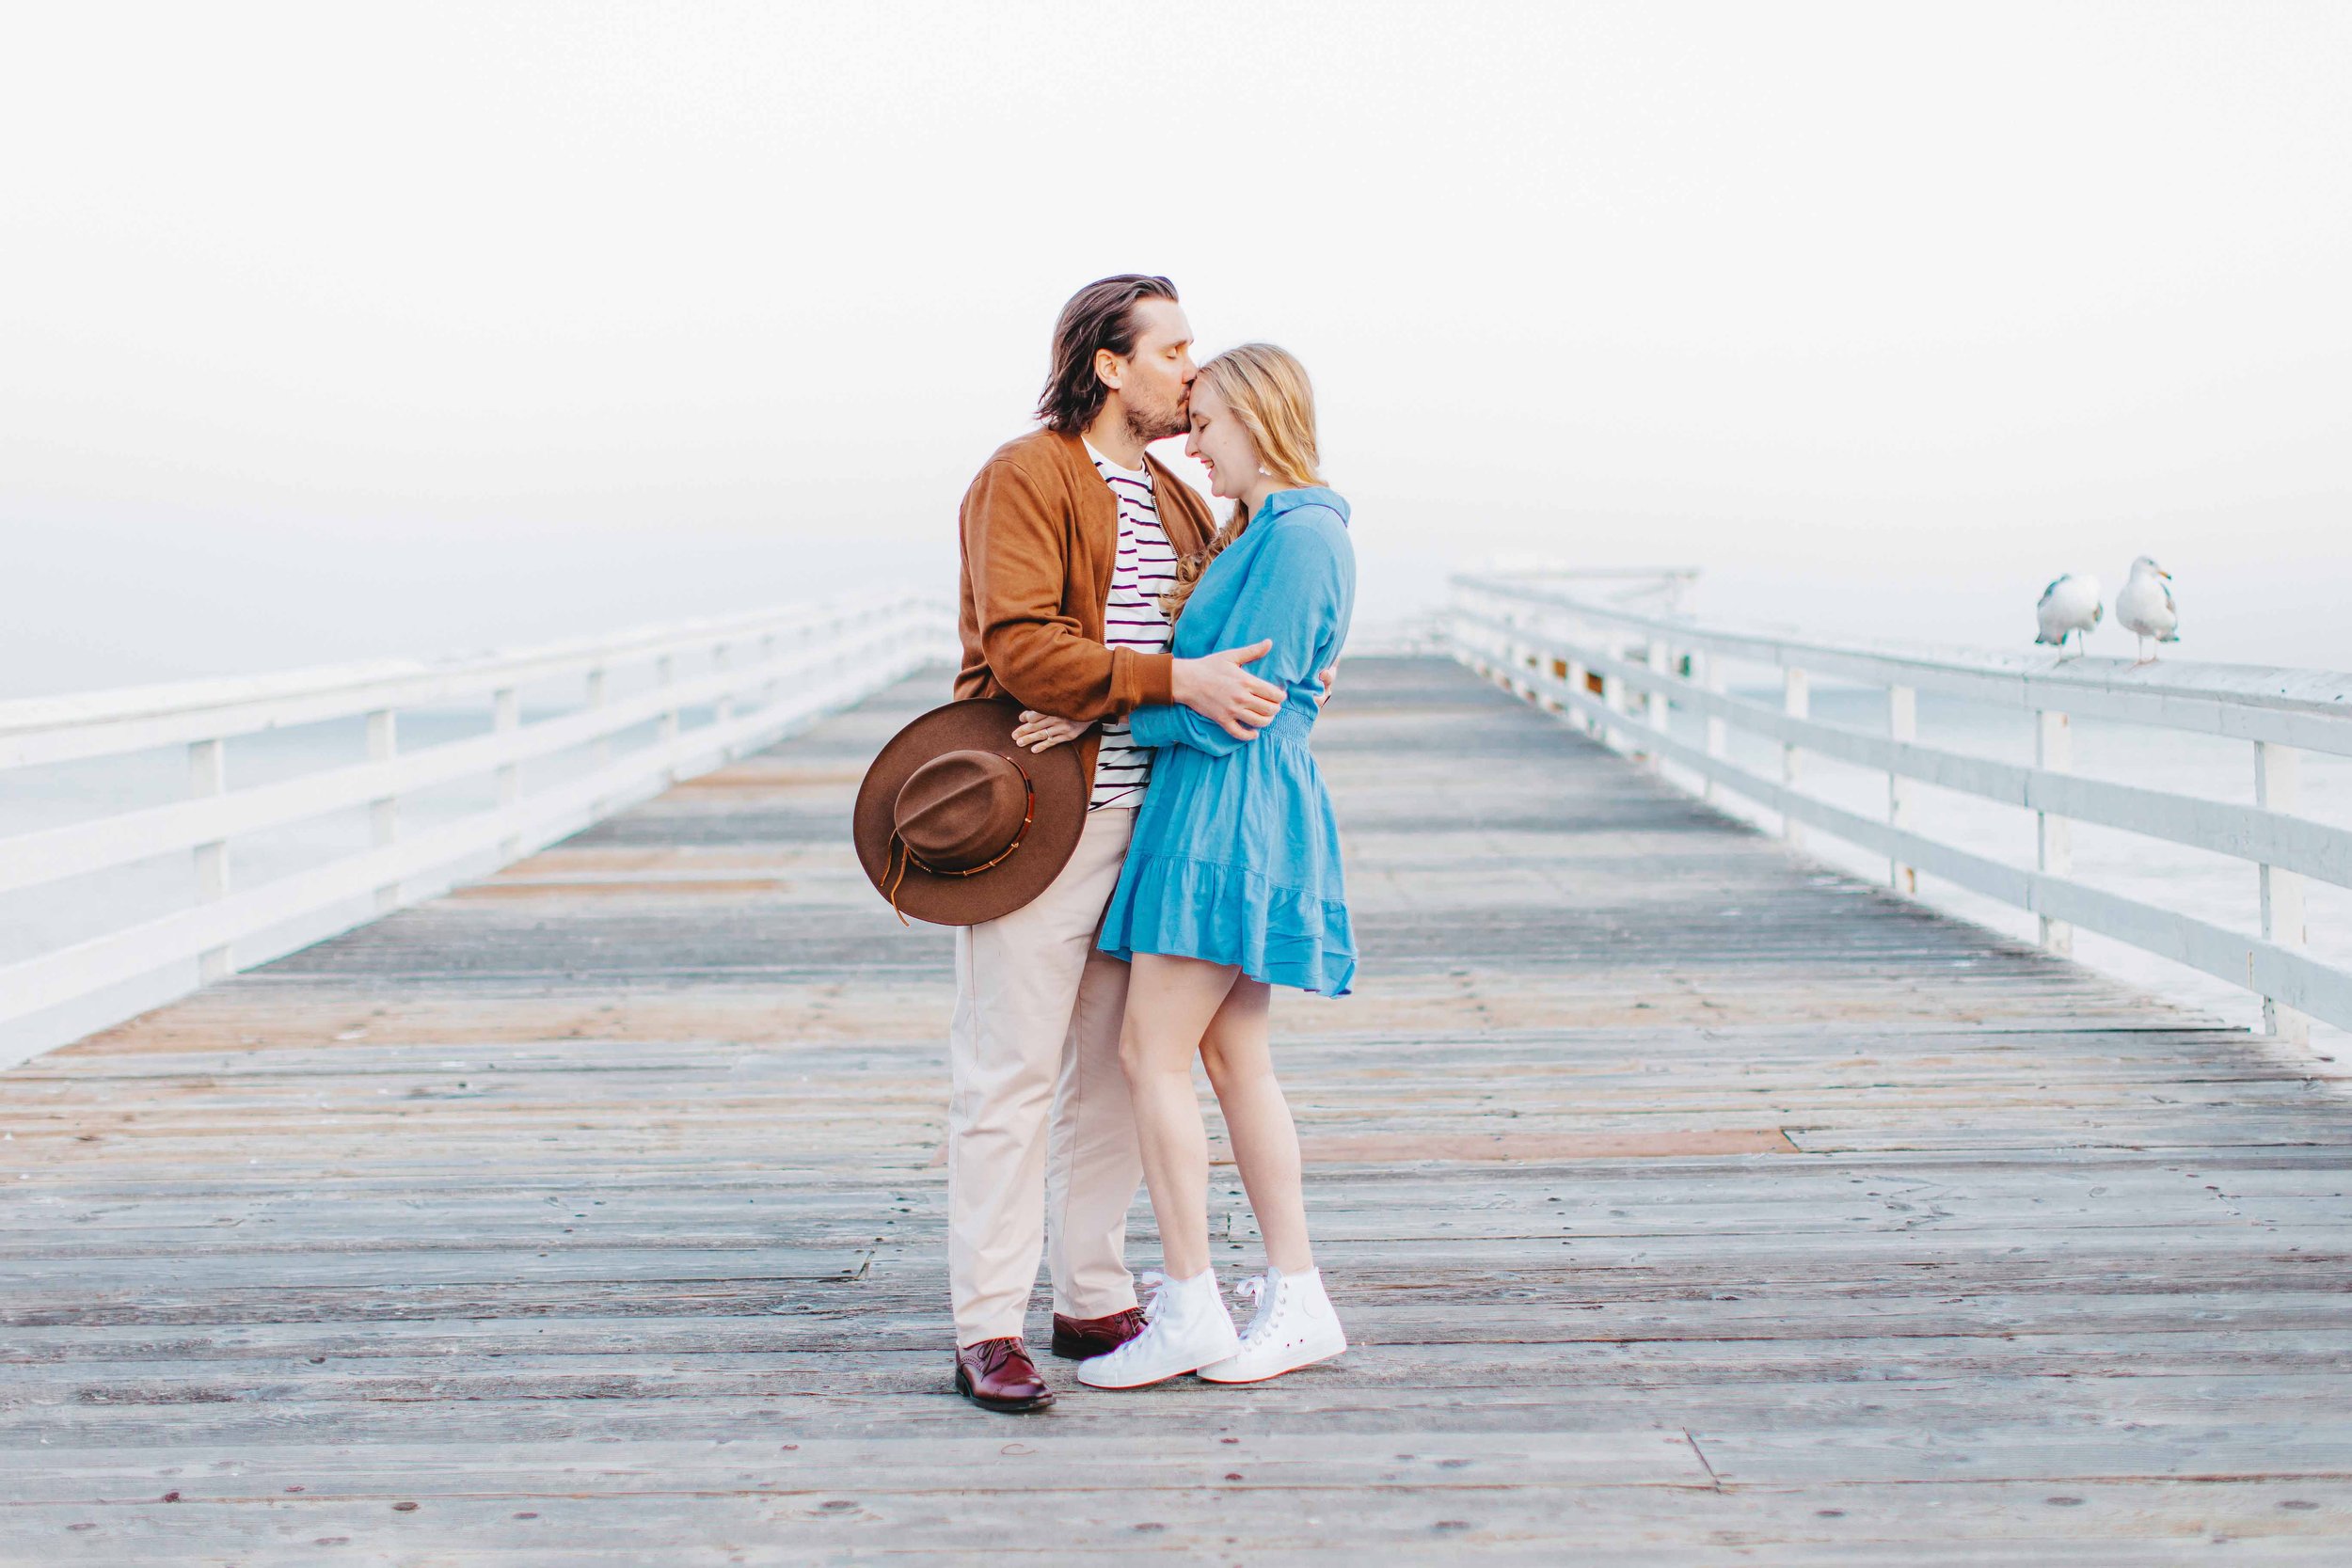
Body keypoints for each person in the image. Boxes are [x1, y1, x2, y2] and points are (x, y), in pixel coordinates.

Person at [943, 276, 1289, 1414]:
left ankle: (1091, 1292)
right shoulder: (1027, 475)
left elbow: (1229, 646)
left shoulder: (1183, 502)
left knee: (1119, 1071)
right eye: (1174, 349)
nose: (1195, 369)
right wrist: (1161, 680)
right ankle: (986, 1321)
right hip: (1045, 822)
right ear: (1108, 364)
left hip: (1159, 826)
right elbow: (1023, 645)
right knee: (1011, 1074)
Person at [1064, 343, 1358, 1388]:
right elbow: (1249, 687)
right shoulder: (1271, 530)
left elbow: (1241, 708)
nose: (1196, 442)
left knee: (1152, 1054)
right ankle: (1295, 1296)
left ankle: (1193, 1300)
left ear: (1261, 415)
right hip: (1222, 807)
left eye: (1212, 421)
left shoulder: (1303, 530)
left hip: (1227, 815)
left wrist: (1116, 708)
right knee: (1234, 1063)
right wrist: (1180, 691)